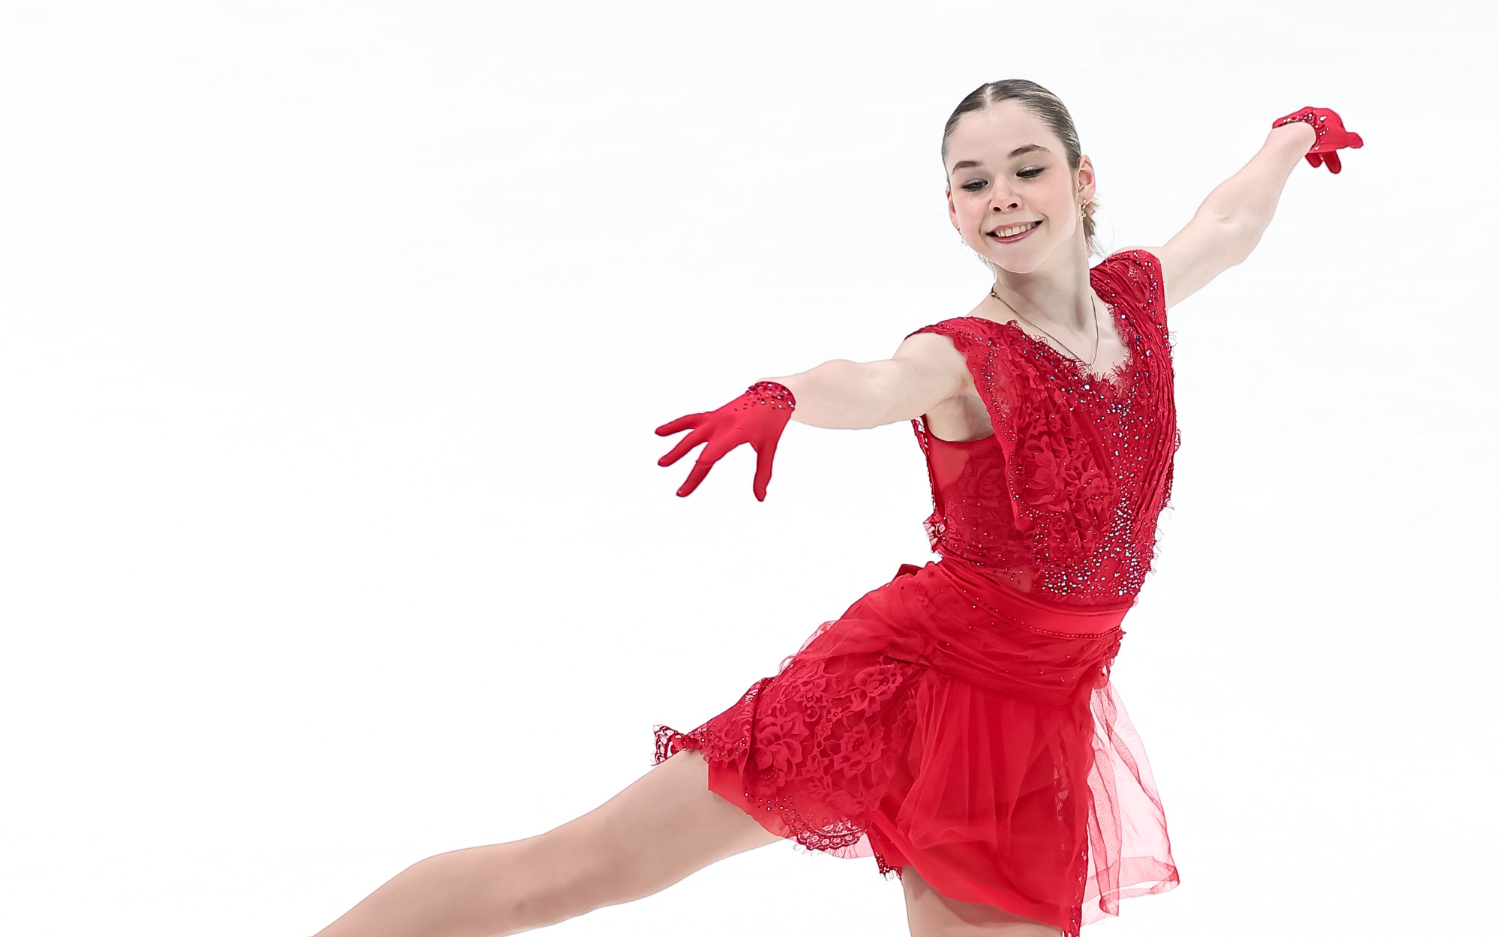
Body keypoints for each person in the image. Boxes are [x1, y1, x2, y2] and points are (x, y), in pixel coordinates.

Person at [311, 80, 1361, 937]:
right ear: (950, 210)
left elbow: (1225, 223)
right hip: (903, 685)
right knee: (568, 873)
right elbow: (870, 382)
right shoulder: (964, 354)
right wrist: (782, 396)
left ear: (1081, 179)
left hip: (1035, 716)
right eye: (973, 182)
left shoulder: (1134, 297)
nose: (1002, 197)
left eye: (1026, 168)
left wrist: (1290, 136)